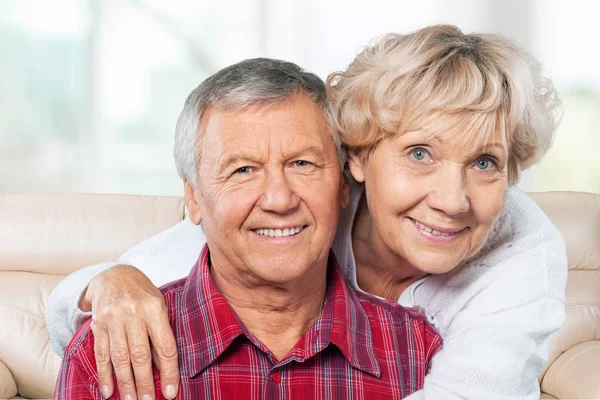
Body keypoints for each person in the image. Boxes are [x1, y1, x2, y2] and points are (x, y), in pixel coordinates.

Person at [47, 25, 567, 400]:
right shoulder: (292, 206)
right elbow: (102, 296)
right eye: (419, 153)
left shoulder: (520, 257)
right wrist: (114, 282)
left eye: (485, 162)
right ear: (356, 159)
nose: (453, 199)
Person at [54, 58, 442, 400]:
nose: (279, 199)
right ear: (193, 197)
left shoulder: (417, 352)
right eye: (243, 170)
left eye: (302, 164)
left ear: (343, 185)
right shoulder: (105, 353)